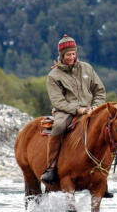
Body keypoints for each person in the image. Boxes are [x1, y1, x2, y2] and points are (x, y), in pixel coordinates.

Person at [41, 35, 113, 196]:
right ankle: (51, 167)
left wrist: (95, 107)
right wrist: (78, 110)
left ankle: (103, 177)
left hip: (91, 109)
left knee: (108, 129)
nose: (71, 57)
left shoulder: (87, 68)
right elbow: (57, 101)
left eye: (73, 54)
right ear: (61, 56)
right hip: (65, 111)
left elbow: (99, 91)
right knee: (58, 127)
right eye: (68, 55)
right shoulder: (54, 76)